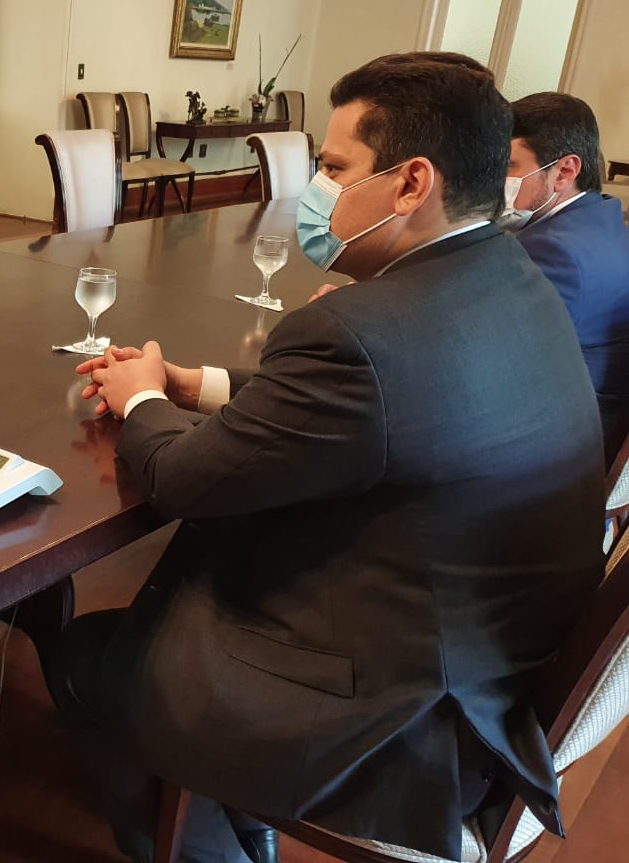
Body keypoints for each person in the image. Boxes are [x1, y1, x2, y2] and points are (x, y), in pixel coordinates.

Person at [54, 52, 606, 863]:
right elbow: (369, 407)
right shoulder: (511, 278)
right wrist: (193, 385)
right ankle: (234, 819)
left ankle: (210, 843)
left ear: (411, 183)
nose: (319, 187)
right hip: (482, 670)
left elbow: (180, 481)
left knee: (86, 656)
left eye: (334, 167)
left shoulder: (360, 330)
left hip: (393, 722)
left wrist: (140, 399)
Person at [505, 92, 629, 468]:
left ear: (564, 172)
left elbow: (497, 362)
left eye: (508, 166)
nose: (494, 181)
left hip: (555, 452)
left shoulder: (553, 251)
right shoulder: (604, 219)